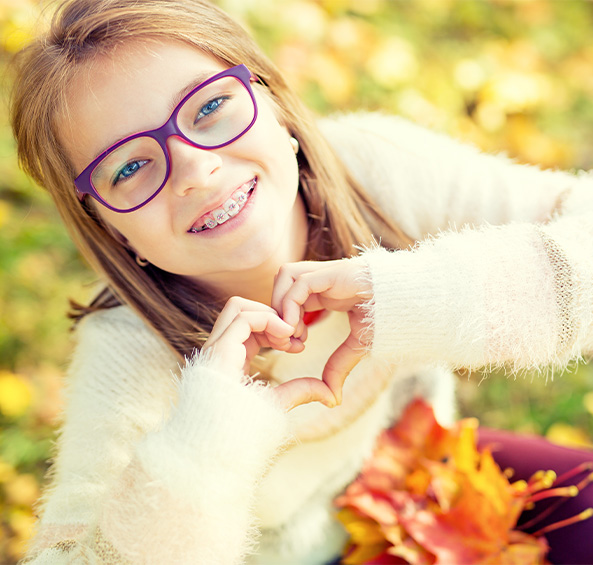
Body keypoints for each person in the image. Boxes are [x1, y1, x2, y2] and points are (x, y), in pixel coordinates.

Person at [9, 0, 593, 563]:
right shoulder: (126, 350)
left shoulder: (372, 166)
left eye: (209, 107)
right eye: (130, 167)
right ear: (110, 228)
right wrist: (205, 440)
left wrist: (412, 293)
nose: (196, 170)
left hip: (427, 471)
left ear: (275, 104)